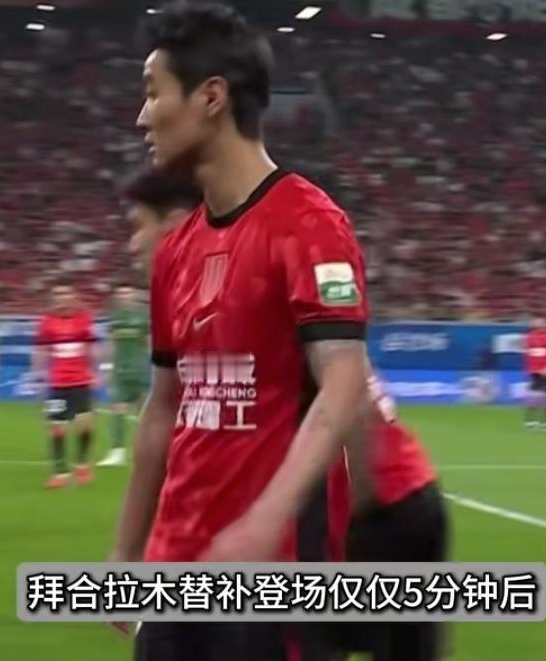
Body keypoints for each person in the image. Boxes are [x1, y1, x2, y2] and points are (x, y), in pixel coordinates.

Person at [113, 5, 370, 658]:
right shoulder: (176, 252)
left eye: (153, 93)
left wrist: (265, 517)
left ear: (210, 98)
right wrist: (127, 549)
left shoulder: (310, 224)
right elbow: (164, 407)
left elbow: (343, 387)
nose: (142, 117)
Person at [121, 166, 447, 661]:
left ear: (174, 226)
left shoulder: (262, 279)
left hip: (387, 508)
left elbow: (350, 404)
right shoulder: (204, 290)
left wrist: (341, 541)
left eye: (136, 226)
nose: (131, 245)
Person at [33, 283, 99, 488]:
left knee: (84, 425)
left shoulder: (83, 319)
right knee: (56, 427)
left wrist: (96, 371)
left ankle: (82, 464)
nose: (61, 298)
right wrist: (38, 376)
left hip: (80, 381)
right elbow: (41, 351)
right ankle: (59, 472)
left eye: (65, 293)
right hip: (57, 384)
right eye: (57, 294)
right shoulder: (46, 322)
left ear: (73, 296)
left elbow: (91, 347)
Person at [96, 285, 149, 468]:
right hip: (120, 370)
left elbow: (149, 342)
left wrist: (153, 364)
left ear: (134, 295)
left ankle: (146, 452)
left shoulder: (144, 316)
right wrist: (106, 367)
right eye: (121, 293)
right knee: (117, 409)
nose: (124, 296)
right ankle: (117, 453)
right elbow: (110, 344)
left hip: (141, 370)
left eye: (127, 292)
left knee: (145, 413)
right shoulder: (115, 318)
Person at [523, 315, 546, 431]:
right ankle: (530, 421)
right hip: (535, 370)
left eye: (540, 322)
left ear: (545, 323)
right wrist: (529, 369)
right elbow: (528, 354)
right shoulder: (529, 336)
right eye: (536, 322)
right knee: (534, 395)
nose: (537, 324)